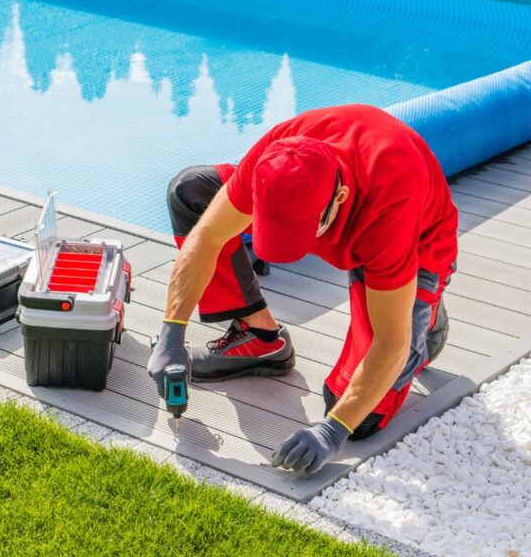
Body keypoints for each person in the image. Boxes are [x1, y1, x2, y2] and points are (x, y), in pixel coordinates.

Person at [148, 104, 458, 476]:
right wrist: (172, 332)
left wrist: (332, 431)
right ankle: (260, 338)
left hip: (414, 245)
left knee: (360, 415)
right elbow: (207, 237)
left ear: (339, 199)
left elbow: (389, 343)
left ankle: (426, 320)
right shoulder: (274, 157)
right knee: (192, 191)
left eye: (300, 233)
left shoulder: (389, 206)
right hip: (348, 214)